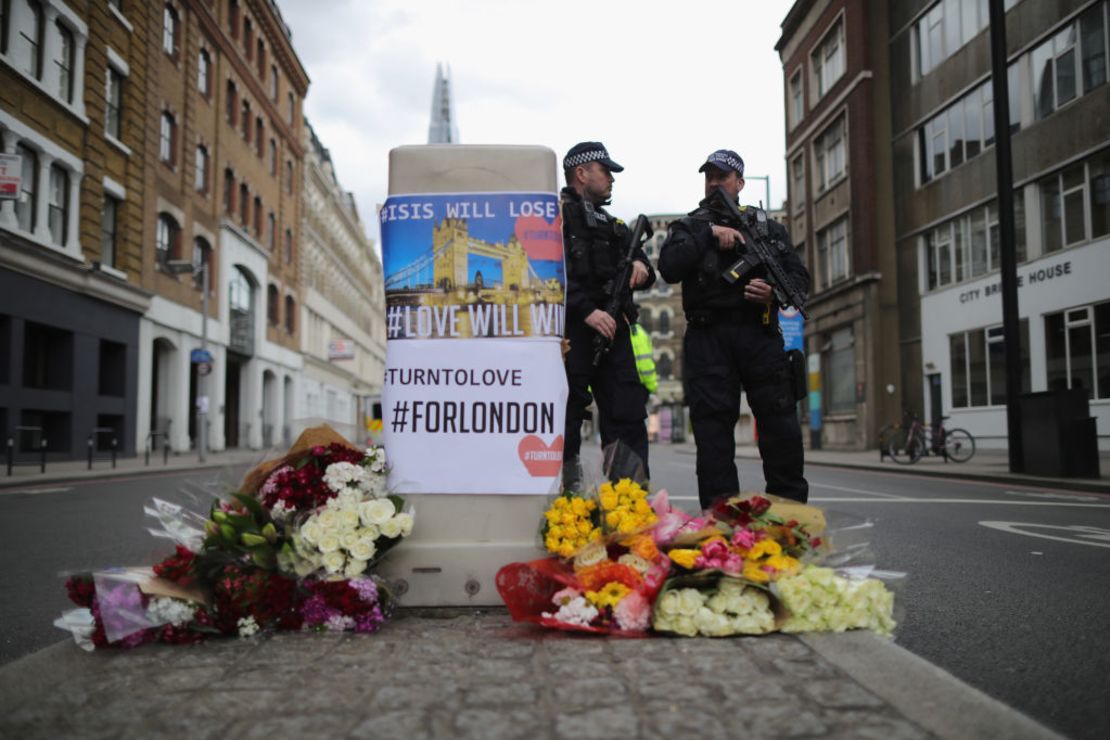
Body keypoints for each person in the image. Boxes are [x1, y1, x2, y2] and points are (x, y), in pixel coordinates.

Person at [657, 149, 810, 508]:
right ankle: (721, 524)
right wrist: (708, 233)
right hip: (708, 337)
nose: (714, 182)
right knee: (713, 437)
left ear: (739, 183)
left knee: (781, 428)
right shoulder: (688, 226)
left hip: (759, 333)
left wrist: (771, 293)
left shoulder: (768, 229)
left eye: (722, 176)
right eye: (709, 176)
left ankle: (789, 519)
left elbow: (799, 280)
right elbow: (669, 268)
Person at [560, 141, 655, 483]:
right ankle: (566, 500)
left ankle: (628, 502)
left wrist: (642, 268)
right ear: (581, 173)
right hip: (573, 333)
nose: (612, 179)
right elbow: (547, 272)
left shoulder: (615, 226)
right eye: (606, 171)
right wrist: (586, 311)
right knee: (566, 414)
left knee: (626, 416)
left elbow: (644, 265)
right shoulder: (555, 217)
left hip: (614, 332)